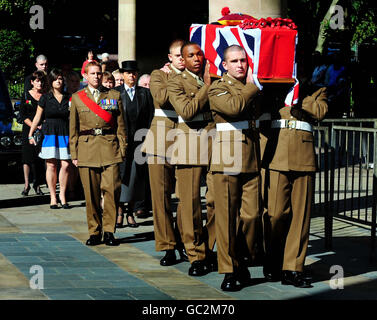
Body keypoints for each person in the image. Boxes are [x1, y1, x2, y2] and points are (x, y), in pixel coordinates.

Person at [261, 81, 328, 287]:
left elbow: (319, 112)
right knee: (275, 213)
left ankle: (293, 267)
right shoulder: (270, 85)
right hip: (276, 153)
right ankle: (272, 259)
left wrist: (301, 95)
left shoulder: (316, 88)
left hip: (303, 155)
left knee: (300, 216)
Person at [208, 45, 262, 291]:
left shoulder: (252, 87)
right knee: (227, 219)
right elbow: (233, 108)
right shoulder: (218, 87)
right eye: (235, 61)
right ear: (225, 65)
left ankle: (242, 260)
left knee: (251, 216)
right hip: (227, 157)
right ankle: (229, 270)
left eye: (243, 60)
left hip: (250, 156)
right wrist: (253, 86)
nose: (240, 64)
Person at [167, 41, 216, 277]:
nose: (196, 59)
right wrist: (207, 87)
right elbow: (187, 111)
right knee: (191, 203)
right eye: (190, 56)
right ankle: (195, 254)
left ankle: (208, 246)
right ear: (182, 60)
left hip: (216, 144)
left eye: (199, 54)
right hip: (189, 144)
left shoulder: (216, 77)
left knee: (218, 200)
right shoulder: (175, 81)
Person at [69, 61, 127, 246]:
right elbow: (73, 129)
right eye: (92, 74)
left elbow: (121, 126)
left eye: (98, 73)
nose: (96, 76)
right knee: (91, 194)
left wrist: (123, 149)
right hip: (86, 149)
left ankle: (109, 231)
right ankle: (94, 231)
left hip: (110, 148)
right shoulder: (77, 98)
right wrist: (74, 154)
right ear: (85, 76)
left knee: (112, 191)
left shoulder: (114, 95)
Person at [141, 39, 188, 266]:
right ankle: (167, 245)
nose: (181, 59)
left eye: (184, 55)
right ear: (169, 57)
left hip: (186, 138)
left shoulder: (191, 76)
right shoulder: (159, 75)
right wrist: (180, 79)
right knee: (161, 198)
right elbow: (161, 97)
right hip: (161, 139)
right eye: (177, 55)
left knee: (186, 197)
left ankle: (183, 239)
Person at [114, 60, 154, 228]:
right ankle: (119, 211)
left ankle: (130, 212)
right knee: (120, 176)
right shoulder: (114, 93)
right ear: (123, 75)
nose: (131, 75)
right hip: (120, 142)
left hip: (139, 141)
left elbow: (151, 116)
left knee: (135, 177)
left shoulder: (145, 94)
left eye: (134, 73)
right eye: (128, 73)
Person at [28, 69, 71, 209]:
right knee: (51, 165)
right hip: (50, 133)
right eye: (55, 79)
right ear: (51, 82)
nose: (58, 81)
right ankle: (53, 196)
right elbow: (37, 117)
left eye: (60, 78)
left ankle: (62, 195)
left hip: (65, 132)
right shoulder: (45, 98)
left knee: (66, 165)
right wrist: (30, 133)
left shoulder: (69, 97)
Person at [19, 70, 47, 196]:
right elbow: (23, 115)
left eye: (41, 81)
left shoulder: (45, 96)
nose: (39, 83)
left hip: (42, 130)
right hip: (28, 130)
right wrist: (33, 126)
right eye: (37, 81)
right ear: (32, 82)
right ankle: (26, 185)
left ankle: (37, 185)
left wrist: (42, 125)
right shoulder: (26, 96)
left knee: (39, 159)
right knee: (27, 159)